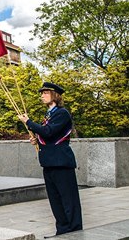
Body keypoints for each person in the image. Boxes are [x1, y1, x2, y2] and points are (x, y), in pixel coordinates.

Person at [19, 82, 82, 237]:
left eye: (45, 92)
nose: (42, 95)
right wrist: (37, 140)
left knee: (68, 199)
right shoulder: (49, 115)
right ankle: (62, 230)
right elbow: (48, 136)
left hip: (61, 163)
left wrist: (28, 122)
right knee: (55, 200)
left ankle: (74, 231)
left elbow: (49, 131)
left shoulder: (62, 113)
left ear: (55, 95)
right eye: (42, 93)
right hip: (49, 162)